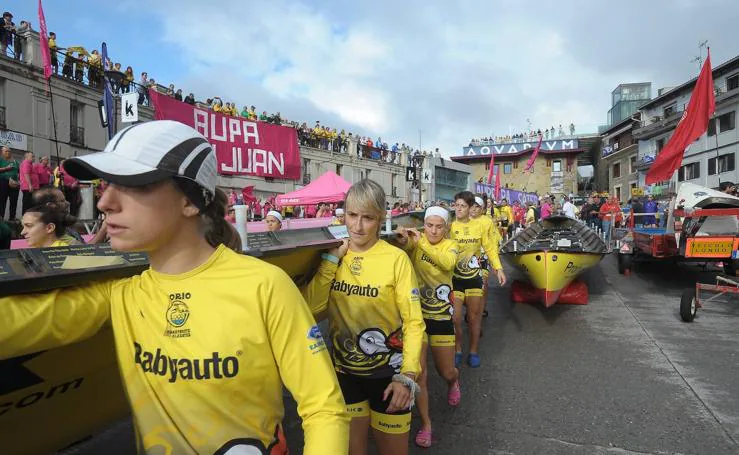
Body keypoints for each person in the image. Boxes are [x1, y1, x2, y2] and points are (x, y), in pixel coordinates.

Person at [0, 121, 349, 454]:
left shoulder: (264, 285)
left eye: (133, 184)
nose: (105, 203)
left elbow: (323, 408)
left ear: (190, 201)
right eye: (106, 185)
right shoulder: (121, 293)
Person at [303, 179, 425, 455]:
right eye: (352, 215)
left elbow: (414, 321)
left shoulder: (396, 259)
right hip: (345, 374)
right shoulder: (334, 255)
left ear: (381, 218)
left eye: (368, 218)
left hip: (390, 376)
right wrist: (330, 262)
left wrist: (407, 375)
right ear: (343, 214)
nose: (358, 226)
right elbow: (311, 310)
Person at [395, 206, 460, 448]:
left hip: (441, 315)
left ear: (446, 227)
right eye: (429, 225)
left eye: (438, 226)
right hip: (417, 316)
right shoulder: (417, 243)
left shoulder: (450, 246)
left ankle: (454, 381)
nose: (433, 230)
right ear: (424, 225)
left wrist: (420, 242)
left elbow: (446, 264)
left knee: (446, 371)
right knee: (420, 373)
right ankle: (426, 424)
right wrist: (402, 239)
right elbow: (403, 248)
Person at [450, 191, 505, 369]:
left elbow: (489, 248)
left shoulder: (479, 226)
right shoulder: (449, 227)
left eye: (462, 206)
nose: (458, 209)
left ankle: (473, 351)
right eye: (456, 205)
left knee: (474, 318)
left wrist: (499, 269)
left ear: (469, 208)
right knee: (456, 318)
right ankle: (458, 349)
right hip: (456, 277)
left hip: (474, 277)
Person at [0, 146, 20, 220]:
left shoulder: (15, 161)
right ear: (2, 152)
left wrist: (19, 181)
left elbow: (19, 172)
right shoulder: (1, 159)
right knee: (2, 200)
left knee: (14, 201)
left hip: (14, 183)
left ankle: (12, 219)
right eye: (6, 151)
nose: (8, 153)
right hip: (3, 181)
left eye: (9, 151)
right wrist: (6, 168)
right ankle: (1, 218)